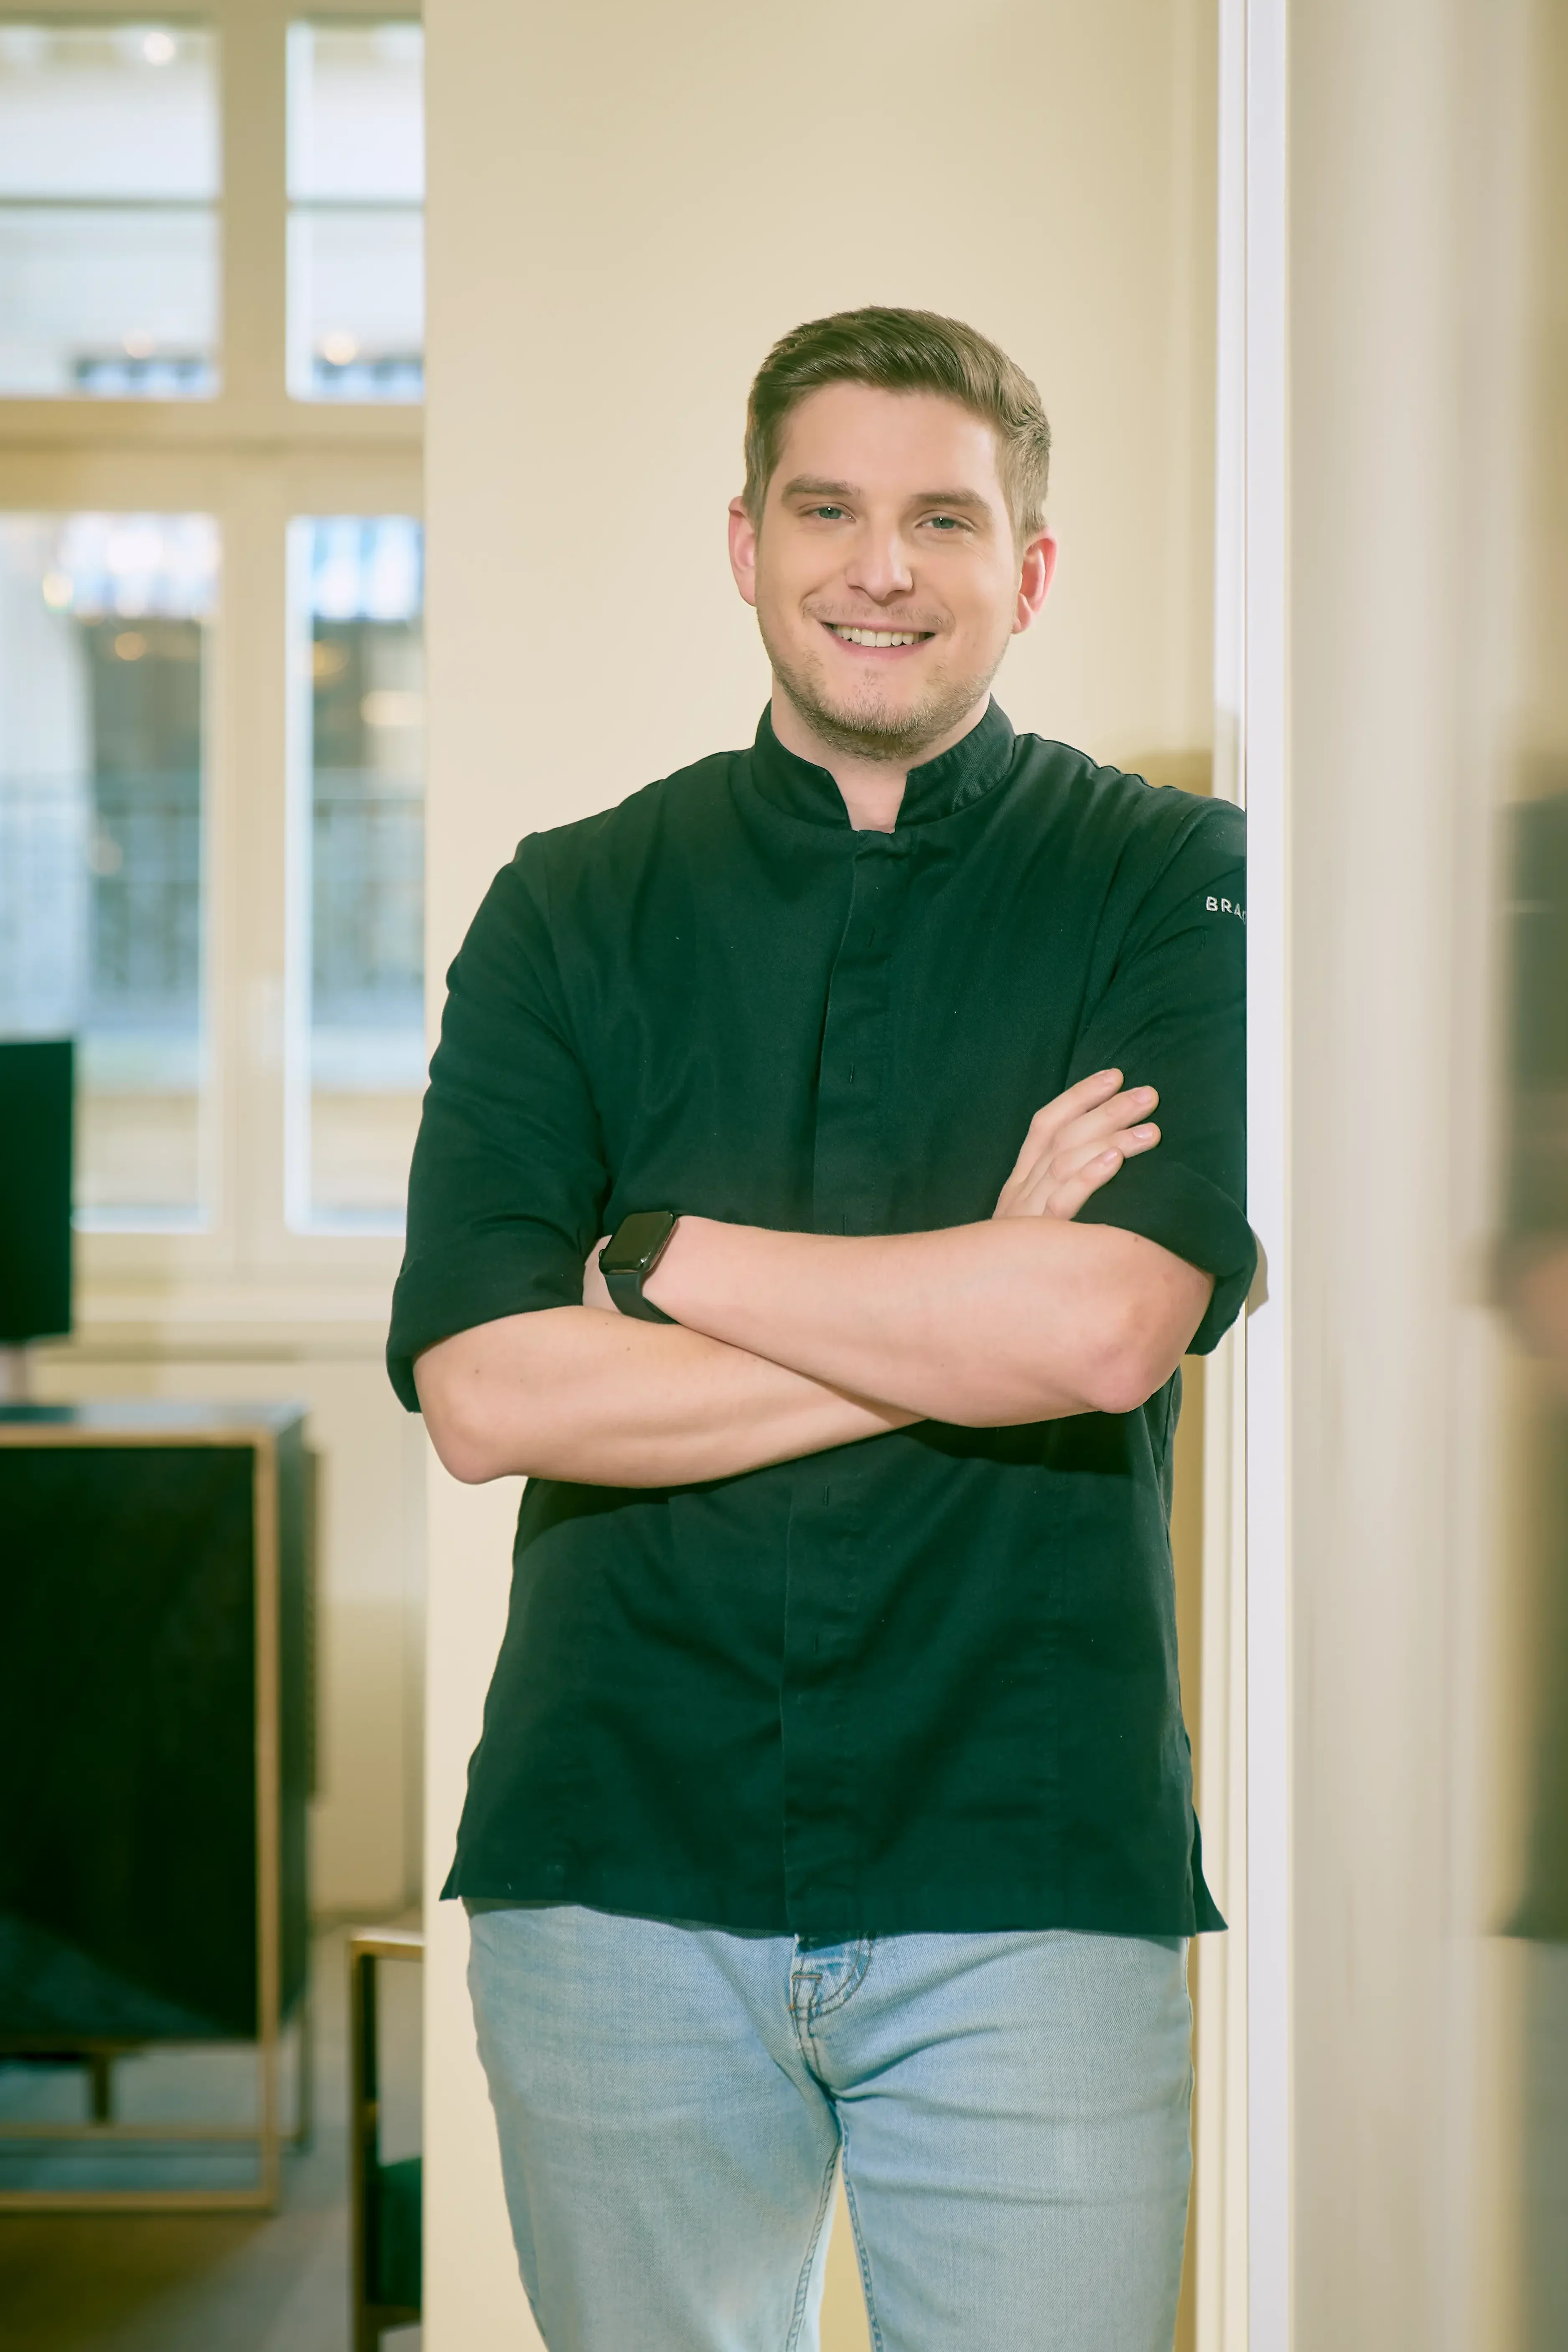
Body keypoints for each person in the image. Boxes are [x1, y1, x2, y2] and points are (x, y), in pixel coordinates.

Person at [387, 305, 1252, 2352]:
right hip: (614, 1856)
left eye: (943, 518)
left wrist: (662, 1259)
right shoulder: (567, 906)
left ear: (1028, 569)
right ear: (744, 544)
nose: (881, 567)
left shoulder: (1171, 879)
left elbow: (1105, 1333)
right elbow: (486, 1393)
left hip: (1031, 1858)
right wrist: (972, 1294)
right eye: (826, 510)